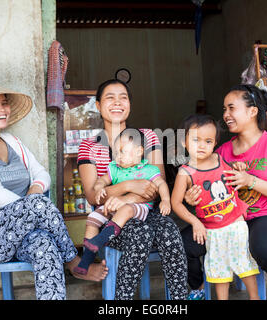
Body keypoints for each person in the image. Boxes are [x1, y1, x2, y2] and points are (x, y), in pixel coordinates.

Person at [0, 82, 108, 300]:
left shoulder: (13, 143)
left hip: (22, 233)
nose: (2, 109)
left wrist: (33, 194)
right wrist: (33, 207)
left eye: (4, 103)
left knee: (46, 244)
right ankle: (74, 262)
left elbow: (43, 175)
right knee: (37, 205)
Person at [185, 84, 267, 300]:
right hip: (223, 220)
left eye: (231, 108)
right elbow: (206, 188)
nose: (226, 115)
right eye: (224, 109)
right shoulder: (221, 151)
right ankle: (196, 289)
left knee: (265, 248)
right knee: (183, 242)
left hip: (263, 216)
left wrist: (250, 180)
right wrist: (191, 197)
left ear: (252, 112)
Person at [77, 79, 188, 300]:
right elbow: (93, 195)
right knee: (141, 233)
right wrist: (128, 186)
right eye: (110, 97)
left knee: (169, 230)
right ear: (98, 105)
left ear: (130, 103)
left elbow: (156, 185)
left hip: (147, 211)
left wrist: (125, 197)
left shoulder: (148, 137)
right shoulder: (89, 145)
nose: (117, 102)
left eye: (123, 97)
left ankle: (178, 300)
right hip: (111, 220)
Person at [171, 114, 260, 300]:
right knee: (219, 271)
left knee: (244, 263)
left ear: (215, 143)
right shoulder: (185, 173)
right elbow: (176, 203)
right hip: (211, 229)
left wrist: (240, 169)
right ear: (184, 141)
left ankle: (255, 297)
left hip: (235, 223)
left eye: (208, 141)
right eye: (196, 140)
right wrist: (195, 222)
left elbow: (236, 180)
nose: (202, 145)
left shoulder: (220, 160)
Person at [74, 128, 171, 275]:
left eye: (122, 152)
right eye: (116, 152)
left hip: (138, 207)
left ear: (139, 152)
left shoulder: (148, 170)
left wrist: (165, 200)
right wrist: (100, 188)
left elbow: (161, 184)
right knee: (93, 217)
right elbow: (102, 181)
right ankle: (86, 261)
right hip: (114, 205)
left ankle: (102, 238)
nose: (118, 156)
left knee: (126, 210)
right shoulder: (114, 168)